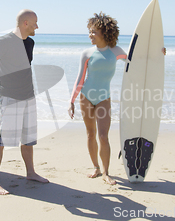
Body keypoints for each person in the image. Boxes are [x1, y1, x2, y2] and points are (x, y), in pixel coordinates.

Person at [68, 12, 166, 185]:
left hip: (104, 98)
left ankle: (106, 172)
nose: (90, 35)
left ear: (105, 33)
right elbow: (80, 78)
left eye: (94, 32)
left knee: (103, 136)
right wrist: (72, 100)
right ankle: (96, 167)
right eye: (89, 31)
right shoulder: (87, 53)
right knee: (91, 134)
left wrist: (159, 54)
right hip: (86, 97)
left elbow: (138, 62)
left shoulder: (116, 52)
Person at [0, 9, 48, 195]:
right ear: (25, 23)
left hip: (28, 96)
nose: (37, 26)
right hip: (9, 97)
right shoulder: (4, 41)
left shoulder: (30, 43)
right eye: (35, 22)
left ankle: (31, 173)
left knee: (28, 139)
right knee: (1, 141)